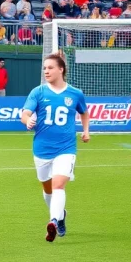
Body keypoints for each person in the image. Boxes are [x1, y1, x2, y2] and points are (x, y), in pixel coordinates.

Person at [21, 53, 89, 243]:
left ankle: (52, 221)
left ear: (61, 69)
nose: (46, 71)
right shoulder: (38, 92)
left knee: (58, 185)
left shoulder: (75, 93)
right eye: (44, 68)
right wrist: (28, 121)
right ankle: (61, 216)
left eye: (50, 67)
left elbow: (84, 112)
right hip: (42, 149)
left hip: (66, 149)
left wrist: (86, 131)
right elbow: (24, 113)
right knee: (47, 189)